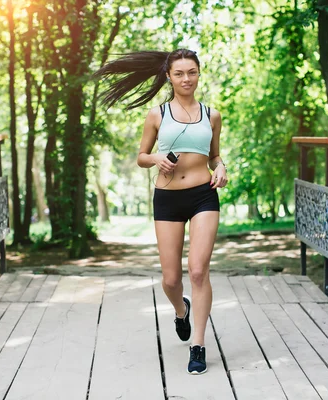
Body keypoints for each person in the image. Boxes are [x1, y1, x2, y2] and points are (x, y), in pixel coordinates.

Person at [94, 49, 228, 375]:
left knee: (197, 271)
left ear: (199, 74)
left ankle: (198, 345)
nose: (186, 79)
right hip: (167, 199)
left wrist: (221, 167)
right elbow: (141, 155)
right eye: (180, 73)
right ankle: (181, 310)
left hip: (203, 197)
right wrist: (155, 159)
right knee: (170, 280)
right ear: (169, 75)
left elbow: (214, 156)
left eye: (192, 72)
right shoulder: (158, 114)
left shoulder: (212, 115)